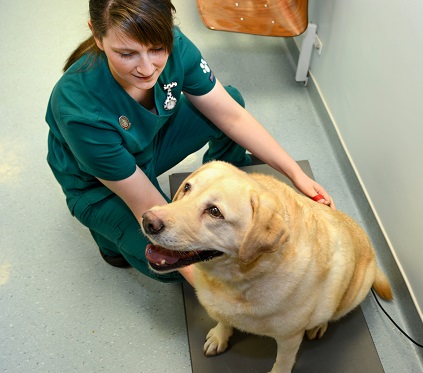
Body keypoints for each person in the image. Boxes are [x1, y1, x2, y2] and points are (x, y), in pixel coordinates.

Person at [46, 0, 334, 286]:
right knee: (166, 260)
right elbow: (145, 201)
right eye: (127, 54)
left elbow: (231, 116)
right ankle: (108, 241)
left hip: (149, 143)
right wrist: (231, 298)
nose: (147, 68)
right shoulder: (79, 108)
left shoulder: (175, 44)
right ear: (96, 35)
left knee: (230, 99)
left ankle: (228, 178)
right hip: (97, 186)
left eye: (157, 49)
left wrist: (295, 174)